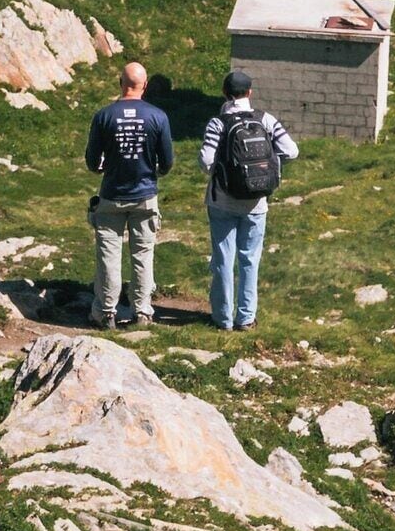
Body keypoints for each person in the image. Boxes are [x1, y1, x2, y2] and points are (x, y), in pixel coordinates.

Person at [196, 70, 298, 331]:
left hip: (222, 201)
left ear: (224, 93)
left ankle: (222, 318)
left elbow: (206, 161)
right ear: (250, 93)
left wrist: (223, 171)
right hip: (257, 202)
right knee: (250, 260)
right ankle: (246, 318)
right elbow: (291, 151)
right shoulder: (266, 119)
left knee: (223, 259)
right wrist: (266, 168)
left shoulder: (217, 123)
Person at [81, 61, 174, 328]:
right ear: (144, 85)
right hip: (145, 195)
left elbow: (92, 160)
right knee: (143, 254)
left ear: (120, 83)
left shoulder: (104, 115)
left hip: (111, 195)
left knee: (109, 255)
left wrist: (102, 167)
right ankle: (142, 312)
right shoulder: (158, 116)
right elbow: (167, 161)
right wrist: (155, 170)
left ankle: (106, 312)